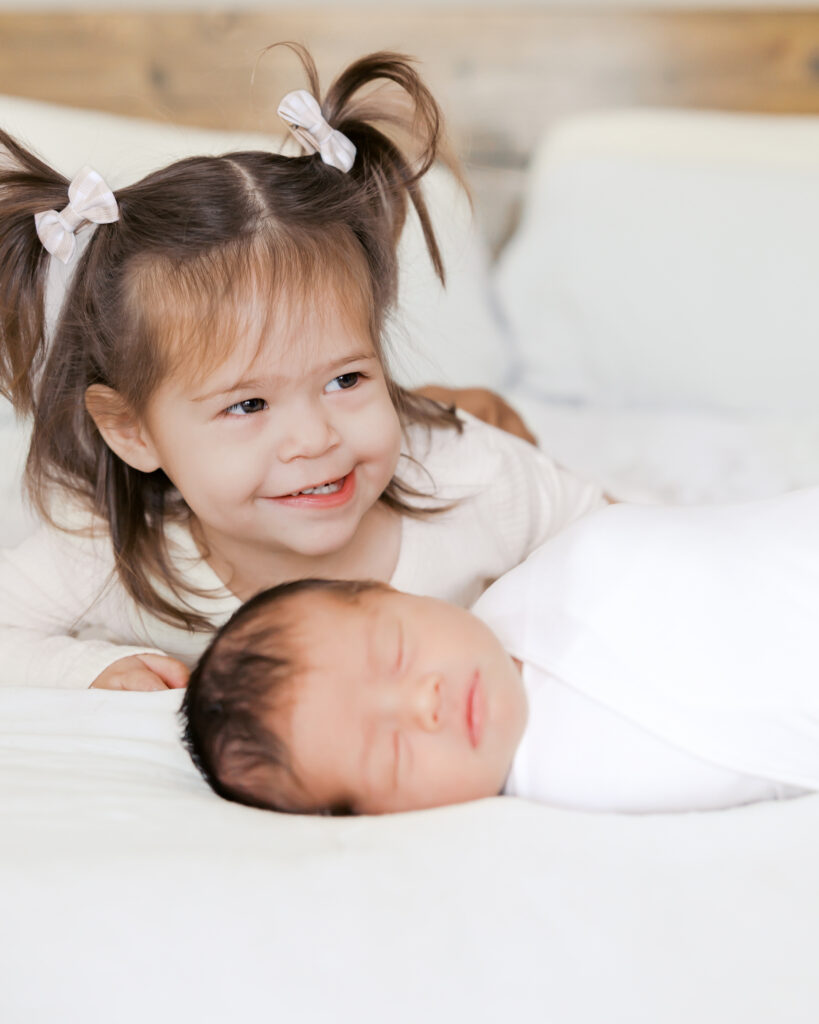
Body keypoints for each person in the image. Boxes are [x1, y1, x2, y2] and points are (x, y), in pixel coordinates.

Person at [0, 45, 603, 692]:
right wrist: (92, 671)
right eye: (248, 405)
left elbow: (623, 549)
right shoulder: (115, 554)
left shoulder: (474, 482)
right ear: (132, 432)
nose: (315, 439)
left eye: (345, 379)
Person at [181, 487, 819, 816]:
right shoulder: (566, 791)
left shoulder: (540, 585)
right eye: (394, 752)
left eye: (397, 650)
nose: (425, 702)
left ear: (391, 593)